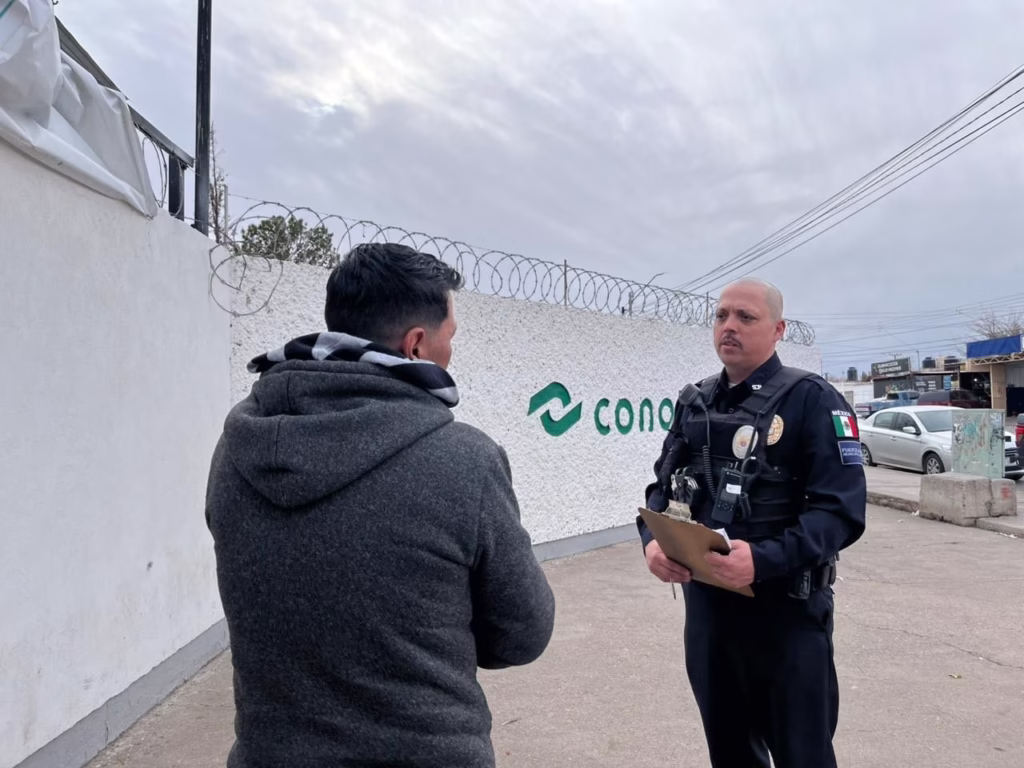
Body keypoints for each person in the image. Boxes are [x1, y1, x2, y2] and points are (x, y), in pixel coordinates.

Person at [206, 242, 556, 768]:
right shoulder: (465, 460)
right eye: (450, 337)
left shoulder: (235, 447)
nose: (450, 351)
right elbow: (522, 634)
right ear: (417, 344)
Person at [637, 277, 866, 768]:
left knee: (802, 755)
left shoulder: (812, 400)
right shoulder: (694, 402)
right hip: (710, 618)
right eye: (721, 316)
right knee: (730, 752)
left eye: (746, 317)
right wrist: (651, 544)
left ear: (779, 329)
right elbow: (660, 490)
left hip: (786, 616)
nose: (730, 327)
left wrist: (762, 561)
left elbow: (840, 513)